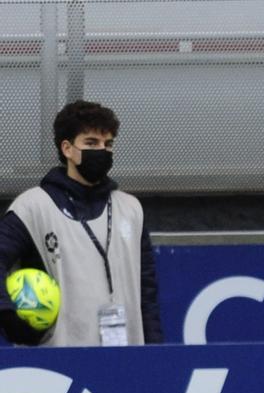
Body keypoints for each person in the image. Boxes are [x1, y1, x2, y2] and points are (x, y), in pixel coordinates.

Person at [0, 100, 162, 347]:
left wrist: (155, 352)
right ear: (67, 149)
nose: (102, 151)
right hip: (61, 362)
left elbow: (147, 294)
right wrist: (12, 322)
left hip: (130, 360)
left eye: (108, 145)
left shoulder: (130, 209)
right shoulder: (33, 207)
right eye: (91, 143)